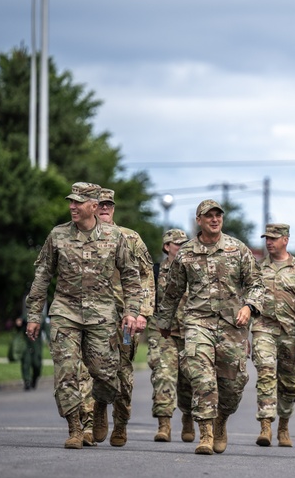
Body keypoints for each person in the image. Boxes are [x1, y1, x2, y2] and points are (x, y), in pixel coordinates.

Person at [25, 182, 141, 449]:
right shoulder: (58, 235)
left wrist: (132, 312)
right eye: (71, 201)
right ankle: (75, 428)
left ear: (94, 206)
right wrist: (34, 315)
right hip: (65, 312)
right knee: (66, 372)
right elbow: (42, 276)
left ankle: (100, 406)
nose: (72, 206)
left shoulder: (115, 237)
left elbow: (131, 278)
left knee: (106, 375)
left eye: (78, 202)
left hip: (102, 315)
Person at [156, 199, 263, 455]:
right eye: (209, 216)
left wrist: (248, 307)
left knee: (232, 385)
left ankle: (221, 420)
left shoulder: (237, 249)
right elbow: (173, 291)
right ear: (199, 220)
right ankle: (205, 433)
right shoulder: (186, 253)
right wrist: (165, 321)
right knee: (202, 378)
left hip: (232, 326)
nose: (214, 219)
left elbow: (256, 284)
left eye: (218, 215)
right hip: (197, 322)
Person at [78, 188, 156, 447]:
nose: (104, 209)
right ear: (91, 207)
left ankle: (120, 421)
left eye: (109, 205)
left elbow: (146, 275)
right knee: (87, 372)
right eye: (100, 205)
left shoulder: (130, 238)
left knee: (121, 375)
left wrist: (142, 312)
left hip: (123, 319)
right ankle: (90, 421)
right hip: (88, 317)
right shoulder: (78, 236)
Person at [251, 223, 295, 447]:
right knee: (266, 374)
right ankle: (265, 426)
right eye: (267, 238)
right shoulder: (257, 268)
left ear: (285, 239)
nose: (269, 242)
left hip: (292, 333)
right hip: (263, 328)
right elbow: (248, 300)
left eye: (274, 238)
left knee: (289, 382)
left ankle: (283, 426)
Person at [145, 228, 192, 442]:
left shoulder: (195, 271)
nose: (182, 248)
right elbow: (147, 301)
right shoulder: (154, 272)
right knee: (163, 375)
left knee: (188, 380)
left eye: (185, 244)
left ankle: (189, 417)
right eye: (178, 244)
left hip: (191, 332)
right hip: (163, 332)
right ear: (167, 247)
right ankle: (164, 424)